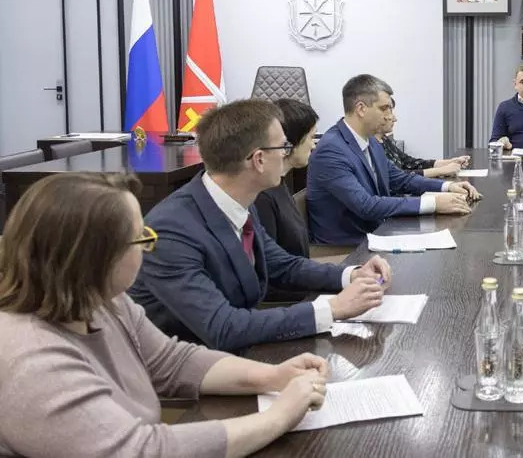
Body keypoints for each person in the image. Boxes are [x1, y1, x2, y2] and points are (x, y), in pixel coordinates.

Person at [0, 173, 335, 456]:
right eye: (141, 239)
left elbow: (172, 361)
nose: (149, 247)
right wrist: (278, 417)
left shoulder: (104, 302)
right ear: (96, 259)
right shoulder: (32, 359)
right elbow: (143, 450)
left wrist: (272, 376)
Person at [129, 99, 392, 353]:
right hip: (184, 371)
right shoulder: (171, 230)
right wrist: (332, 309)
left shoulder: (239, 200)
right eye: (283, 146)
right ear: (259, 159)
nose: (288, 152)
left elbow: (282, 265)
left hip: (234, 353)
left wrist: (351, 274)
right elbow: (223, 327)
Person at [307, 74, 480, 246]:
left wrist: (447, 186)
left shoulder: (371, 141)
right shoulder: (331, 150)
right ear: (361, 109)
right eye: (384, 108)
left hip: (377, 232)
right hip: (347, 247)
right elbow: (366, 206)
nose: (389, 116)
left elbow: (399, 179)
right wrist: (434, 203)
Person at [254, 98, 318, 259]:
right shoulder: (262, 197)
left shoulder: (280, 184)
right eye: (311, 137)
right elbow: (271, 263)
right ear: (289, 144)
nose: (313, 145)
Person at [378, 97, 470, 178]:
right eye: (389, 113)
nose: (394, 119)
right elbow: (396, 177)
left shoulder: (384, 140)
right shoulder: (373, 146)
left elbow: (409, 163)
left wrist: (449, 162)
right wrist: (441, 171)